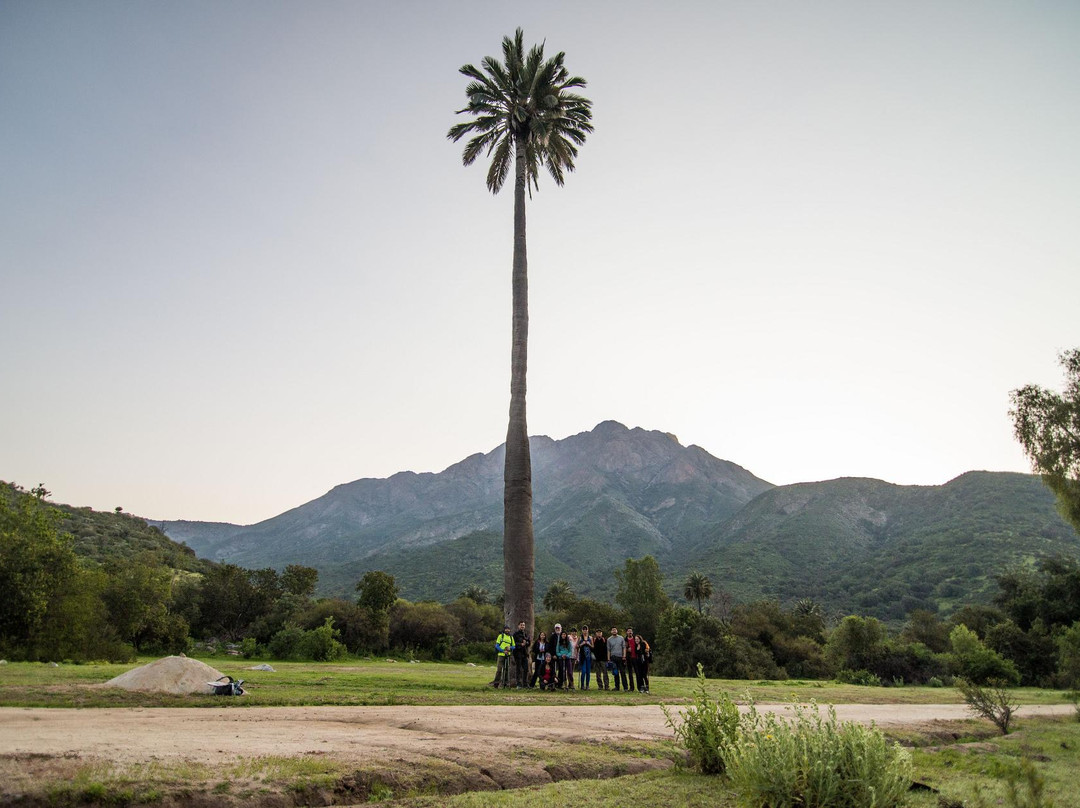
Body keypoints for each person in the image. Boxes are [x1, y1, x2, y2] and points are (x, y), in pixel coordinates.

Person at [607, 626, 628, 691]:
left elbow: (624, 647)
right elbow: (608, 650)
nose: (614, 631)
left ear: (617, 631)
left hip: (620, 657)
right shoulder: (609, 639)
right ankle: (617, 687)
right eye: (613, 630)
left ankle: (625, 687)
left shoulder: (621, 638)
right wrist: (608, 659)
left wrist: (624, 656)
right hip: (613, 657)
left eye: (615, 630)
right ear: (611, 631)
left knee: (622, 672)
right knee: (615, 673)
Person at [512, 620, 530, 688]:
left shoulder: (525, 634)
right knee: (518, 669)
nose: (522, 626)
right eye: (521, 625)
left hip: (524, 654)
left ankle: (525, 683)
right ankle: (518, 683)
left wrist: (526, 643)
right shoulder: (515, 634)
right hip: (517, 653)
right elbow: (513, 644)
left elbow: (529, 642)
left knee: (526, 669)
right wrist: (520, 644)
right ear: (518, 626)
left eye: (523, 625)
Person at [549, 623, 566, 689]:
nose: (557, 629)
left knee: (561, 670)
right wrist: (553, 655)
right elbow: (550, 647)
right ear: (555, 629)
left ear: (561, 628)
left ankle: (560, 684)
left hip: (561, 655)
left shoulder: (563, 636)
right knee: (553, 670)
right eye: (556, 628)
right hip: (554, 656)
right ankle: (552, 683)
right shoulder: (552, 636)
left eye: (558, 628)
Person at [577, 625, 593, 690]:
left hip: (589, 657)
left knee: (588, 672)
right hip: (582, 657)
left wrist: (589, 644)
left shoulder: (590, 638)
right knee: (583, 671)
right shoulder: (580, 638)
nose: (585, 631)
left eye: (586, 629)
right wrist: (582, 644)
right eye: (583, 629)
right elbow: (577, 646)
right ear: (582, 630)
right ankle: (582, 685)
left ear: (588, 630)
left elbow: (593, 647)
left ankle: (587, 685)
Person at [624, 628, 638, 693]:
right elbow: (623, 648)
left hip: (636, 658)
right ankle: (631, 688)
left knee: (638, 673)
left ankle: (640, 687)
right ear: (626, 632)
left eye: (631, 631)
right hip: (628, 658)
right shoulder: (625, 640)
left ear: (632, 632)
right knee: (630, 674)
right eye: (628, 631)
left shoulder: (636, 639)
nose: (630, 632)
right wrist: (627, 650)